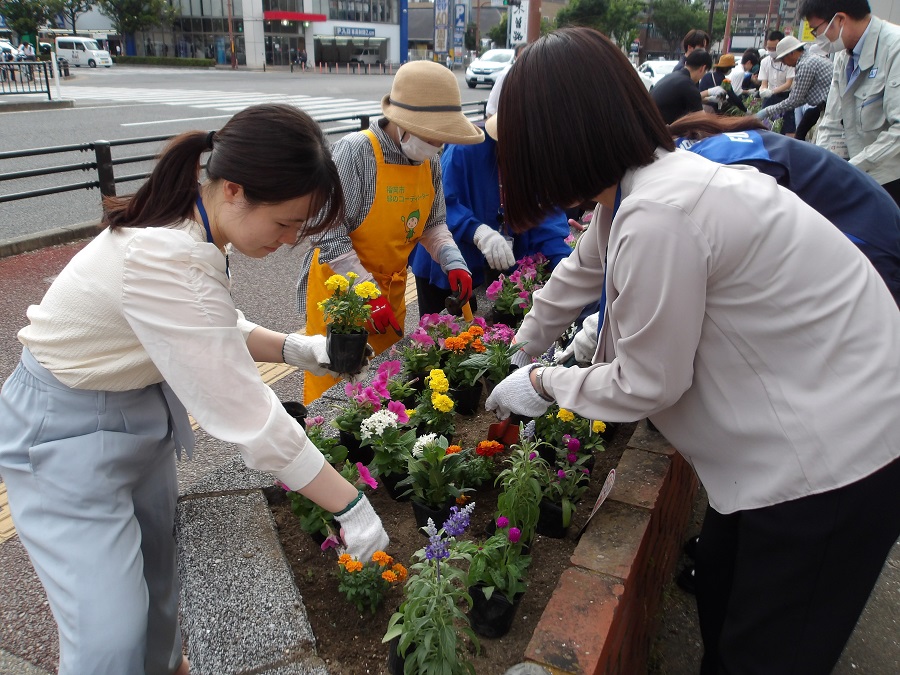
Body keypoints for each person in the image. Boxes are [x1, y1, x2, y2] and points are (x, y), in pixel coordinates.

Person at [486, 27, 900, 674]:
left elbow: (648, 384)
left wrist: (543, 383)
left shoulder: (660, 213)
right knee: (718, 591)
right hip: (813, 415)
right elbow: (579, 273)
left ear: (558, 139)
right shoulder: (634, 188)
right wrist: (521, 344)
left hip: (840, 454)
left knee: (765, 653)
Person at [0, 104, 389, 675]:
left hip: (135, 418)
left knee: (159, 585)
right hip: (64, 437)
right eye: (284, 223)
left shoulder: (193, 226)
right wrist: (350, 505)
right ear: (234, 190)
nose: (288, 241)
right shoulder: (165, 253)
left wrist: (295, 348)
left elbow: (200, 323)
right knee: (107, 635)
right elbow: (250, 416)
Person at [297, 61, 483, 403]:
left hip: (392, 294)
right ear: (402, 124)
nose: (437, 144)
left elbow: (432, 224)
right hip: (342, 299)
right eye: (432, 135)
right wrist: (366, 293)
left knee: (386, 390)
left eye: (442, 137)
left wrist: (452, 261)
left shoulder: (430, 159)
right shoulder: (355, 153)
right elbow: (328, 234)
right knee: (341, 398)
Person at [410, 113, 573, 315]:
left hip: (500, 263)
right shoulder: (467, 146)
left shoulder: (538, 158)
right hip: (447, 261)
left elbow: (546, 217)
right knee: (444, 334)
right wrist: (477, 231)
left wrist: (567, 268)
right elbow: (439, 202)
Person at [801, 0, 900, 205]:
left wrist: (851, 169)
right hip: (863, 171)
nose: (817, 39)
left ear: (839, 19)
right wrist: (822, 165)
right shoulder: (844, 54)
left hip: (891, 176)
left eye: (816, 30)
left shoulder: (894, 49)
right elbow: (833, 119)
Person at [755, 36, 832, 141]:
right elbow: (804, 97)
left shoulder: (806, 65)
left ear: (792, 53)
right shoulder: (810, 59)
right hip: (823, 106)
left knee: (820, 140)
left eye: (783, 58)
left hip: (831, 107)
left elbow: (795, 100)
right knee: (804, 129)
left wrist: (767, 111)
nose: (783, 62)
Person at [650, 48, 714, 124]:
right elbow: (702, 122)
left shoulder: (671, 76)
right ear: (702, 68)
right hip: (659, 130)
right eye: (705, 72)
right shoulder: (689, 86)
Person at [758, 30, 797, 135]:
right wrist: (763, 90)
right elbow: (764, 83)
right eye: (768, 48)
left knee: (788, 129)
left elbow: (789, 83)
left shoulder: (788, 60)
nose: (770, 51)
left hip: (786, 96)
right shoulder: (765, 61)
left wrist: (772, 91)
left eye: (773, 48)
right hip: (769, 98)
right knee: (765, 126)